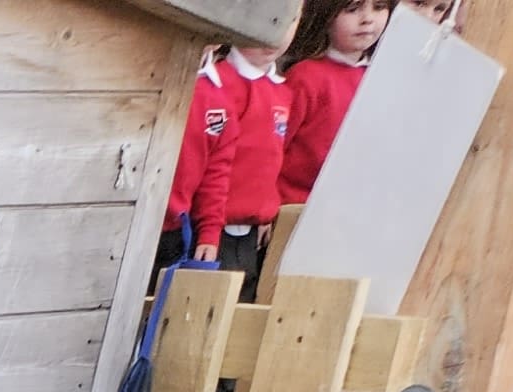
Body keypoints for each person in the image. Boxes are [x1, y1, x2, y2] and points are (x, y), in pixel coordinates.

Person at [164, 38, 296, 275]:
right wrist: (209, 229)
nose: (274, 34)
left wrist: (267, 210)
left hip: (242, 230)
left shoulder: (282, 91)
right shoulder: (223, 85)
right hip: (200, 225)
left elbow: (274, 159)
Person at [280, 0, 387, 208]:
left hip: (348, 211)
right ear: (327, 14)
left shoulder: (382, 76)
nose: (368, 19)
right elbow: (275, 148)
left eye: (379, 7)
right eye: (353, 9)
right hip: (292, 207)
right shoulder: (305, 76)